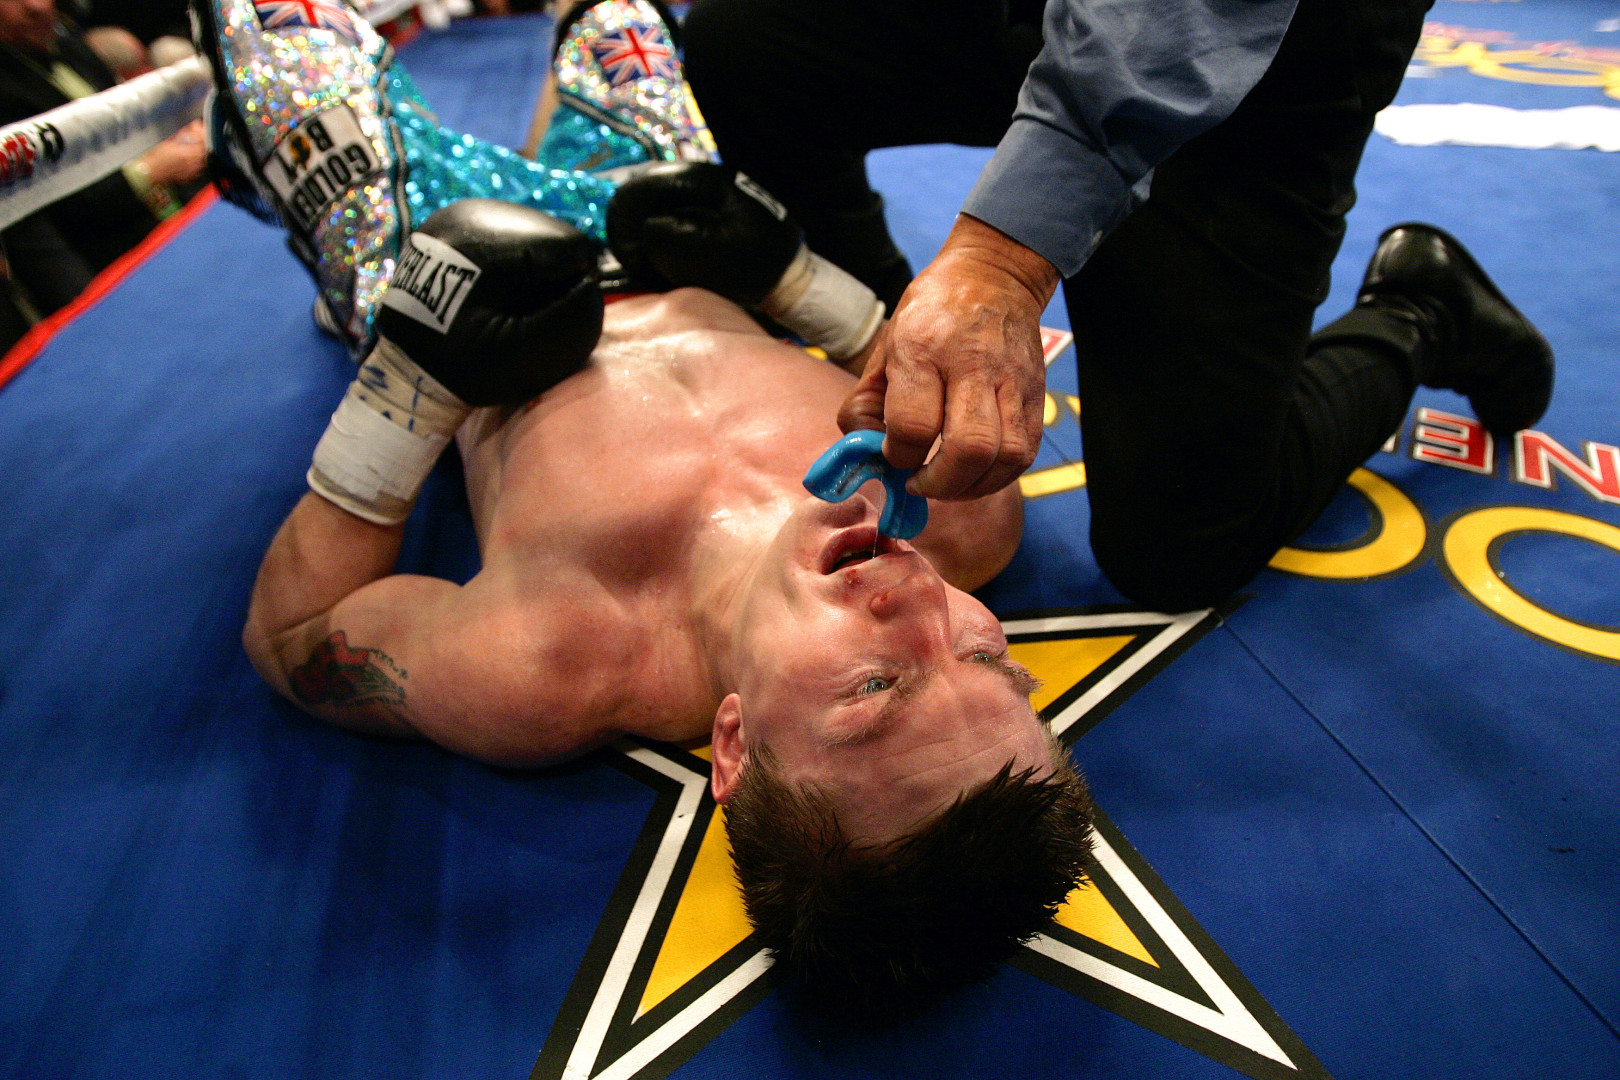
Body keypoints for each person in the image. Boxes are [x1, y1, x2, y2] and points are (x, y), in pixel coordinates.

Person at [201, 0, 1095, 1012]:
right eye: (987, 659)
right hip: (664, 228)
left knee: (269, 26)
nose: (925, 606)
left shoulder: (554, 662)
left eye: (878, 687)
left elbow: (292, 636)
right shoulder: (968, 517)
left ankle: (244, 155)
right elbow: (882, 354)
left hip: (431, 260)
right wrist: (791, 280)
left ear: (736, 745)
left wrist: (411, 379)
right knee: (617, 8)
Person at [683, 0, 1556, 612]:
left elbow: (1176, 28)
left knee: (1178, 549)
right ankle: (900, 379)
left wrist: (1001, 262)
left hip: (1261, 35)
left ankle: (1420, 309)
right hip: (1036, 8)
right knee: (746, 44)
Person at [0, 0, 207, 314]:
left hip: (179, 218)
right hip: (117, 265)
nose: (35, 7)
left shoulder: (67, 42)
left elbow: (131, 120)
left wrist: (185, 132)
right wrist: (144, 173)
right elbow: (40, 224)